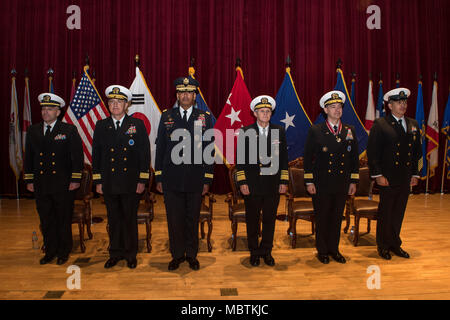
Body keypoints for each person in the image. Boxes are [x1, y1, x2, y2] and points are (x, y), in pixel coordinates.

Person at [155, 76, 214, 271]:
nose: (185, 95)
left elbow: (209, 148)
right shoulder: (167, 116)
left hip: (195, 178)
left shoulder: (204, 117)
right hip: (172, 178)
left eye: (189, 92)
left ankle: (192, 254)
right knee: (174, 219)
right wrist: (159, 177)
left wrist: (207, 178)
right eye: (181, 92)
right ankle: (177, 255)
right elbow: (161, 148)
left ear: (195, 95)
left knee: (192, 218)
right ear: (177, 95)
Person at [92, 85, 150, 269]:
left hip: (130, 183)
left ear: (127, 104)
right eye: (111, 101)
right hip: (109, 183)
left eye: (119, 102)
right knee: (114, 219)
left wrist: (142, 181)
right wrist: (98, 181)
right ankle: (115, 253)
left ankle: (131, 254)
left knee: (129, 219)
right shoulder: (102, 126)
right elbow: (97, 155)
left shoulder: (137, 125)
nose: (115, 105)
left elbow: (144, 155)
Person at [24, 93, 83, 265]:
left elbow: (77, 158)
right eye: (43, 108)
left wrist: (75, 179)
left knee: (63, 219)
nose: (45, 112)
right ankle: (50, 250)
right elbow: (29, 158)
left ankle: (64, 251)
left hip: (63, 184)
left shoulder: (68, 130)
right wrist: (29, 180)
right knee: (46, 219)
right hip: (41, 184)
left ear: (58, 112)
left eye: (50, 109)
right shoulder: (33, 130)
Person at [303, 90, 359, 264]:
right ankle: (322, 250)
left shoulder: (349, 130)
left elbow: (354, 158)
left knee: (336, 217)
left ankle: (334, 249)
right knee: (323, 217)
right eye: (333, 107)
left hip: (342, 182)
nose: (337, 110)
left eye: (339, 107)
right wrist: (309, 181)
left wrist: (353, 180)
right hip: (322, 183)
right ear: (325, 110)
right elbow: (308, 157)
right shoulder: (316, 130)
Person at [367, 88, 421, 260]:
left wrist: (415, 174)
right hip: (387, 178)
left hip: (405, 177)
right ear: (390, 105)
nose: (403, 105)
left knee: (399, 212)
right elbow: (373, 153)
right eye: (399, 102)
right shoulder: (380, 124)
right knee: (386, 213)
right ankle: (383, 245)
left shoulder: (413, 124)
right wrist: (378, 175)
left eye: (404, 102)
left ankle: (395, 244)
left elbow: (416, 152)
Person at [236, 95, 289, 267]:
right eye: (261, 111)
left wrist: (284, 181)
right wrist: (242, 183)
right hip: (252, 186)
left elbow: (283, 159)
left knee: (269, 220)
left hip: (272, 185)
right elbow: (241, 161)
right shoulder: (246, 132)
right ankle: (254, 252)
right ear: (255, 113)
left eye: (268, 111)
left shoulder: (279, 131)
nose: (265, 114)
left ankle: (266, 251)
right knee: (252, 220)